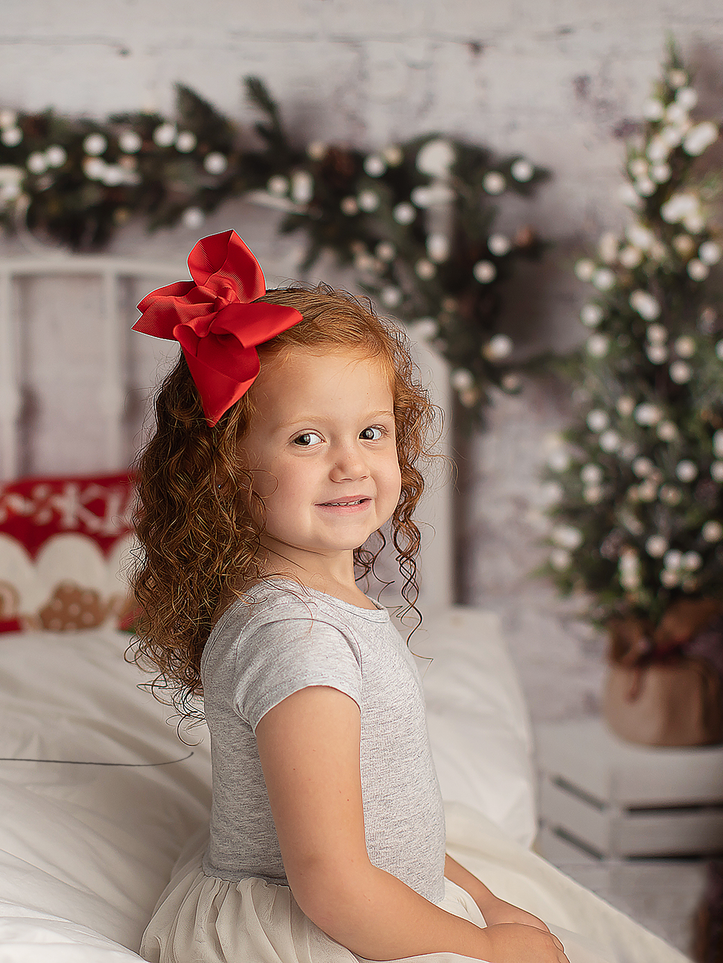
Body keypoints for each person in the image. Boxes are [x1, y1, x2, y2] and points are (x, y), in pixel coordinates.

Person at [129, 231, 573, 963]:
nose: (350, 464)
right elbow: (333, 884)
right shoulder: (299, 644)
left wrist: (487, 903)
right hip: (316, 929)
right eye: (306, 439)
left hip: (370, 897)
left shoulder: (315, 609)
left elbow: (395, 819)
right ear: (226, 469)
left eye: (371, 431)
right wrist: (487, 949)